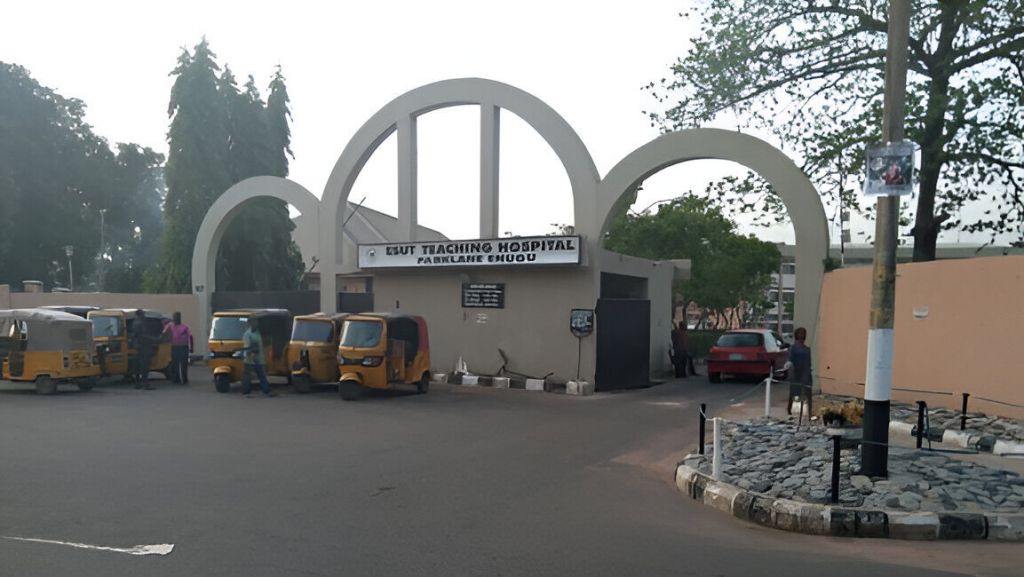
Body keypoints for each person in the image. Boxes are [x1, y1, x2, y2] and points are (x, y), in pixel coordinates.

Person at [242, 318, 275, 398]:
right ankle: (246, 392)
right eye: (253, 322)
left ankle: (266, 391)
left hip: (259, 359)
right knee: (247, 376)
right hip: (249, 359)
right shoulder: (247, 334)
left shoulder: (258, 333)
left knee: (262, 375)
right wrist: (252, 350)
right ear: (250, 324)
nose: (255, 324)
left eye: (256, 322)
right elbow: (247, 347)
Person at [787, 327, 812, 415]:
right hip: (796, 374)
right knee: (793, 393)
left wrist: (809, 371)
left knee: (807, 394)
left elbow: (809, 362)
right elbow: (790, 360)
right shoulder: (793, 348)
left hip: (805, 374)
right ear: (797, 336)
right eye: (800, 334)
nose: (802, 336)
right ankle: (789, 410)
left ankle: (809, 412)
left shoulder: (807, 349)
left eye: (803, 334)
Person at [164, 312, 193, 384]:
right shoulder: (170, 326)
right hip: (174, 347)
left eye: (177, 317)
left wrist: (191, 347)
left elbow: (190, 337)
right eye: (175, 317)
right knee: (174, 364)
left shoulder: (185, 327)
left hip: (183, 347)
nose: (176, 319)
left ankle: (184, 379)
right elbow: (164, 334)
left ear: (180, 318)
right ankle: (176, 379)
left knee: (184, 364)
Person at [130, 309, 156, 390]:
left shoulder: (134, 322)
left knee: (138, 365)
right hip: (144, 346)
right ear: (140, 314)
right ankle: (145, 383)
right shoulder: (141, 323)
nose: (144, 315)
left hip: (137, 346)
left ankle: (137, 383)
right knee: (145, 365)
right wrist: (155, 338)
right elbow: (144, 335)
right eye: (143, 314)